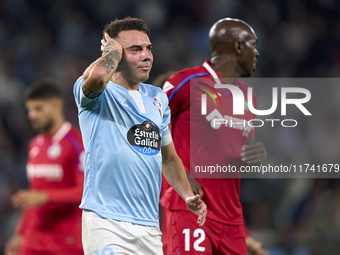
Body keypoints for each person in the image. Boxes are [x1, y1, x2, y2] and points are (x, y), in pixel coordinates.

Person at [73, 17, 207, 255]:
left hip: (148, 227)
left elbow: (168, 158)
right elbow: (96, 78)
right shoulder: (98, 93)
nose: (146, 56)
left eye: (148, 49)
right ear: (114, 54)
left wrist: (187, 194)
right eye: (135, 50)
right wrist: (112, 51)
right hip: (106, 221)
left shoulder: (157, 97)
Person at [160, 18, 269, 255]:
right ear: (239, 47)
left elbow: (237, 155)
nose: (257, 53)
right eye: (254, 44)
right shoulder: (185, 83)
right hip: (188, 210)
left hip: (231, 220)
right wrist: (182, 176)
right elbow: (144, 132)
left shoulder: (248, 96)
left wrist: (253, 156)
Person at [5, 79, 85, 255]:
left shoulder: (76, 142)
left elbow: (84, 192)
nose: (32, 115)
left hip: (66, 240)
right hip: (34, 239)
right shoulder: (34, 145)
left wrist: (46, 196)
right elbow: (35, 195)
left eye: (38, 109)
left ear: (56, 106)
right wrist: (19, 234)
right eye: (30, 110)